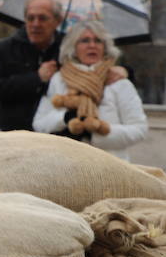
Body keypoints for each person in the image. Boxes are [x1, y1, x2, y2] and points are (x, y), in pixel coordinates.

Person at [33, 19, 147, 160]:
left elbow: (139, 129)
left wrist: (97, 131)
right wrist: (65, 118)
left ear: (105, 47)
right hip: (65, 163)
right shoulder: (59, 79)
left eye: (98, 41)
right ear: (73, 47)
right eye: (85, 40)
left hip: (110, 167)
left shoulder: (118, 81)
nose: (92, 45)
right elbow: (39, 124)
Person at [0, 0, 66, 131]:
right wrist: (36, 78)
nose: (35, 24)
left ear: (58, 20)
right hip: (9, 136)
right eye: (30, 18)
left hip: (51, 138)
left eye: (42, 18)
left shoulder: (67, 50)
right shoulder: (2, 49)